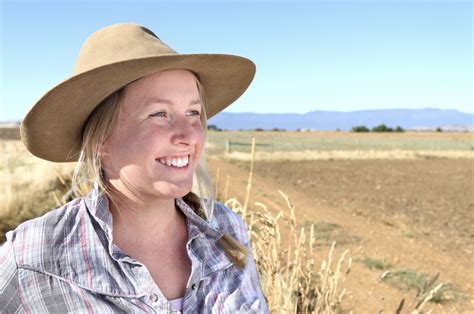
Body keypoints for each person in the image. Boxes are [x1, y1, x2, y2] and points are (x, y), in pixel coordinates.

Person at [0, 23, 269, 313]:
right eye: (159, 114)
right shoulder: (34, 258)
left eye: (193, 112)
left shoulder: (227, 229)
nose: (189, 135)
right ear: (101, 139)